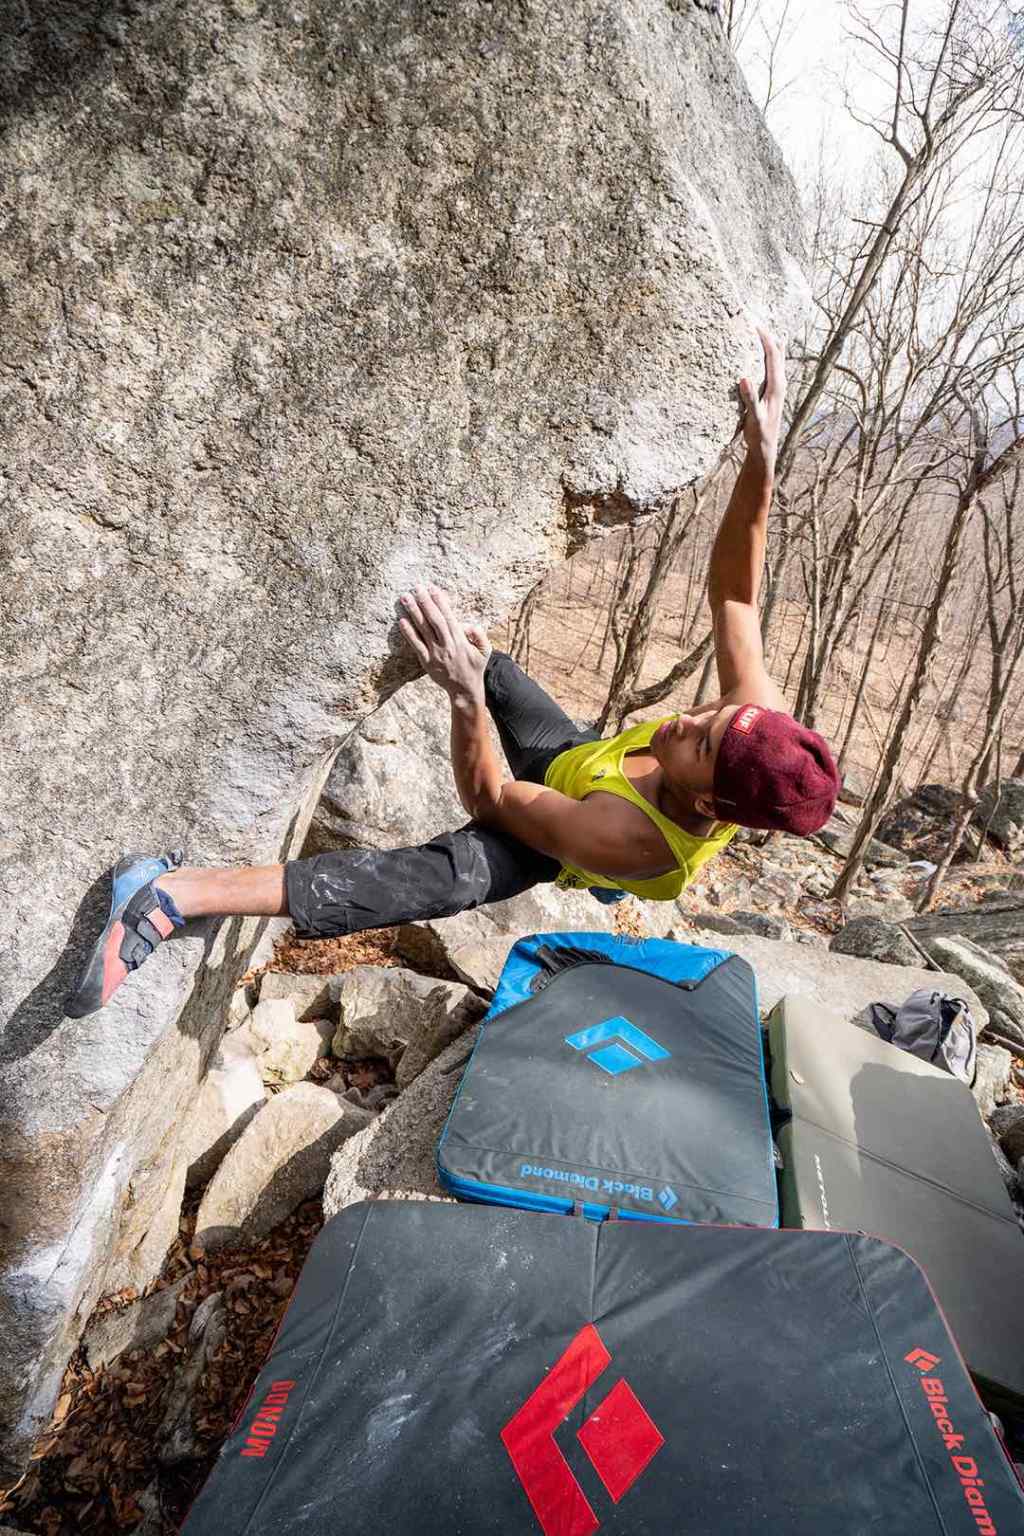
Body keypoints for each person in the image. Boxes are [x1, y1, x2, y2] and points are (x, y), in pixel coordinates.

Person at [66, 329, 839, 1019]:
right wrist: (761, 461)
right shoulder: (750, 730)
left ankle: (171, 895)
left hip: (552, 833)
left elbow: (494, 798)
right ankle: (475, 672)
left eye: (699, 744)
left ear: (708, 799)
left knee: (444, 878)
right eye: (713, 712)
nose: (688, 718)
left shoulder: (629, 840)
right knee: (460, 637)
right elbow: (738, 591)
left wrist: (464, 692)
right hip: (576, 759)